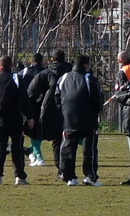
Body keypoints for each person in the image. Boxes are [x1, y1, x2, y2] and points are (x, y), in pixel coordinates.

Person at [0, 55, 32, 186]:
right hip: (15, 118)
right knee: (17, 147)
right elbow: (24, 99)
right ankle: (19, 177)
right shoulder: (16, 78)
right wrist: (29, 116)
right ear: (11, 65)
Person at [56, 54, 103, 186]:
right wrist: (95, 113)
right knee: (89, 150)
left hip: (69, 119)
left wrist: (64, 112)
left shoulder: (63, 78)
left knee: (67, 148)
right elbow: (97, 99)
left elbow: (57, 97)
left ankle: (69, 177)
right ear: (86, 65)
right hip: (88, 121)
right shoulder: (89, 79)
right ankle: (90, 176)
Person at [27, 50, 71, 180]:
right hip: (71, 110)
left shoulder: (46, 73)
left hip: (52, 111)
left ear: (52, 60)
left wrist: (37, 105)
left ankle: (61, 169)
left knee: (57, 141)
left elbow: (31, 92)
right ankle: (71, 170)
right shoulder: (72, 73)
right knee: (71, 141)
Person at [20, 53, 45, 165]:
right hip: (43, 104)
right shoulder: (45, 72)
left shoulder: (24, 72)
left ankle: (37, 156)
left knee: (32, 130)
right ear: (42, 61)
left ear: (31, 61)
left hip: (28, 104)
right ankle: (34, 152)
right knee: (38, 130)